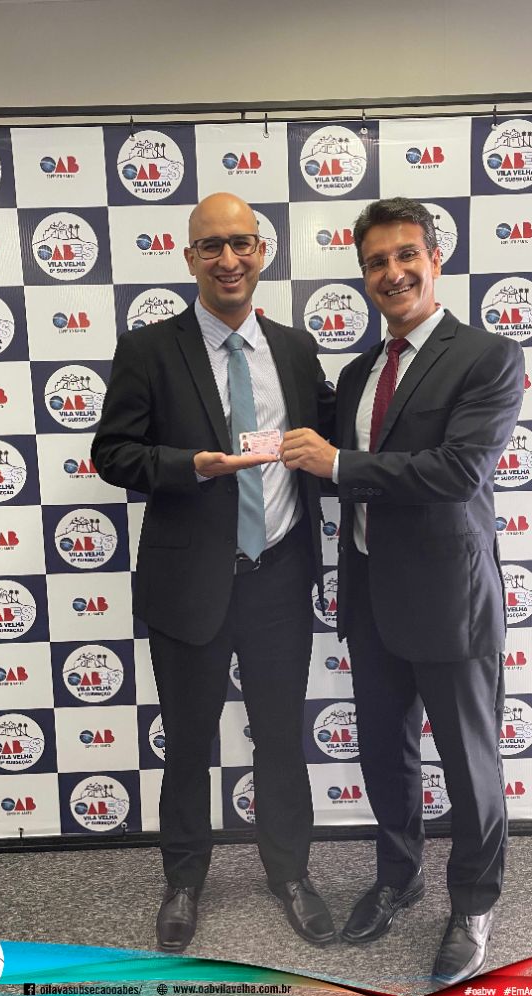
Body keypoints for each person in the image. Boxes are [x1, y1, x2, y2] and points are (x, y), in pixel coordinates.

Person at [279, 197, 524, 985]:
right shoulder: (359, 373)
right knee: (386, 753)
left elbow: (458, 473)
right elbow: (335, 470)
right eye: (376, 262)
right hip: (370, 598)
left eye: (405, 255)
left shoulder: (488, 356)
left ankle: (474, 903)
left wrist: (339, 464)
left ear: (434, 259)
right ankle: (399, 875)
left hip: (450, 600)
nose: (393, 273)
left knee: (470, 766)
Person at [91, 193, 336, 952]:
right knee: (190, 742)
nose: (228, 259)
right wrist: (188, 466)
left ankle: (290, 874)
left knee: (280, 739)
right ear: (189, 256)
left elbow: (333, 439)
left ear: (261, 251)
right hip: (189, 581)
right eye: (211, 246)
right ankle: (183, 880)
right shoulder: (148, 349)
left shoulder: (294, 349)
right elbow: (112, 453)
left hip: (278, 575)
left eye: (241, 243)